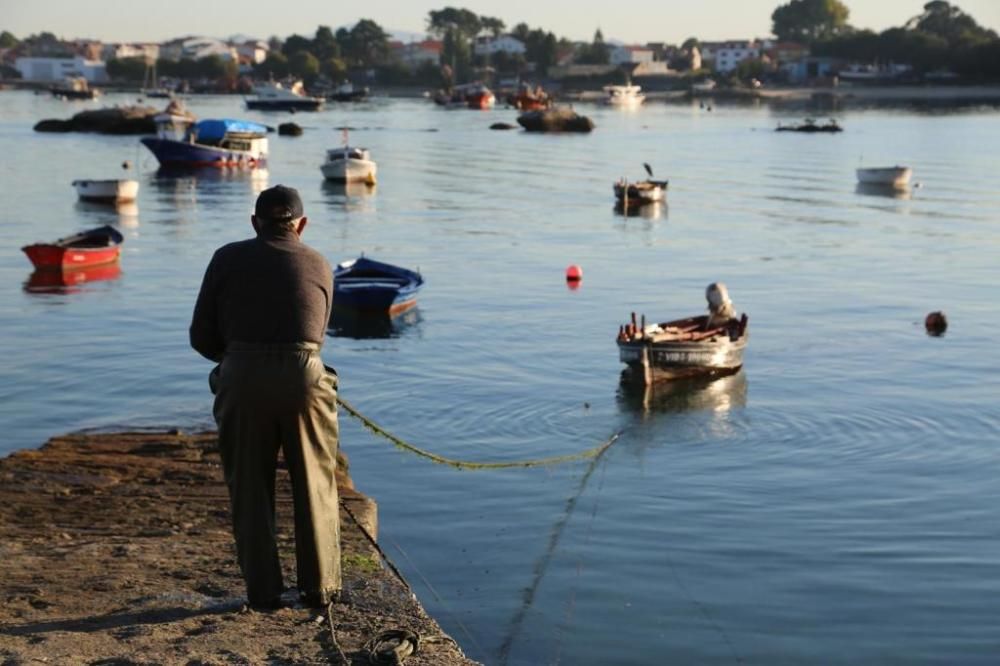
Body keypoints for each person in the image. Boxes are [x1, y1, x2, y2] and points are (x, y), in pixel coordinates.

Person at [190, 185, 341, 610]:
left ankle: (263, 593)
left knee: (250, 489)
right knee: (314, 485)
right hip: (305, 377)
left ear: (254, 222)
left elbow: (200, 336)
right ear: (302, 225)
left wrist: (238, 359)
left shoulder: (226, 258)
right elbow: (316, 333)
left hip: (241, 375)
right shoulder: (318, 262)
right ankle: (320, 589)